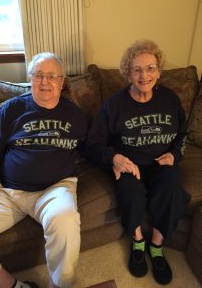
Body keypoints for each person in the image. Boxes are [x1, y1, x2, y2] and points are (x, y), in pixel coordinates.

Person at [0, 52, 88, 288]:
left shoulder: (75, 115)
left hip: (55, 189)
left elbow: (93, 147)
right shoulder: (12, 109)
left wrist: (115, 158)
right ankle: (15, 286)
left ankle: (60, 286)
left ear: (61, 81)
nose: (45, 82)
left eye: (51, 76)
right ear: (30, 79)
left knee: (65, 222)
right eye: (38, 75)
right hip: (9, 191)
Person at [85, 39, 190, 285]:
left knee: (172, 187)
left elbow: (183, 134)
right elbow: (92, 143)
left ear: (159, 71)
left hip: (161, 163)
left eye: (151, 68)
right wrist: (115, 158)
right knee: (129, 189)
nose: (145, 75)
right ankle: (138, 242)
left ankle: (156, 245)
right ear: (128, 73)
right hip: (129, 164)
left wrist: (176, 154)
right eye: (137, 69)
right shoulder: (115, 104)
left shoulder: (170, 99)